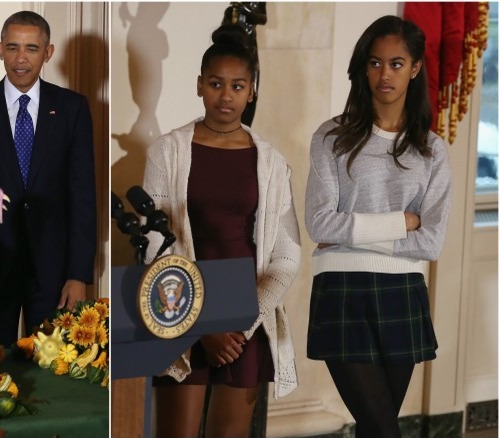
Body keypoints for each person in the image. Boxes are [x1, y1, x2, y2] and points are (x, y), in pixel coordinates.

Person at [142, 25, 301, 437]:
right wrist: (202, 325)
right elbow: (155, 247)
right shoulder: (168, 151)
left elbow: (286, 256)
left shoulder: (271, 162)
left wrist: (242, 325)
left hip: (245, 316)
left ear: (251, 91)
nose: (226, 95)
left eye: (237, 85)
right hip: (181, 307)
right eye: (216, 84)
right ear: (199, 85)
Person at [305, 16, 452, 438]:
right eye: (374, 63)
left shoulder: (432, 150)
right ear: (363, 68)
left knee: (377, 430)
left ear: (416, 68)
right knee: (383, 430)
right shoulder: (330, 137)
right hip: (342, 290)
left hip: (402, 293)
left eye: (396, 63)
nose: (384, 74)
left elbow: (432, 240)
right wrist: (401, 223)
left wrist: (351, 234)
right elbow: (319, 222)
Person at [0, 11, 97, 347]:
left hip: (55, 271)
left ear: (48, 52)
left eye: (31, 48)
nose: (21, 58)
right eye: (12, 47)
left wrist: (78, 275)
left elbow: (83, 195)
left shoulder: (72, 109)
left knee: (55, 370)